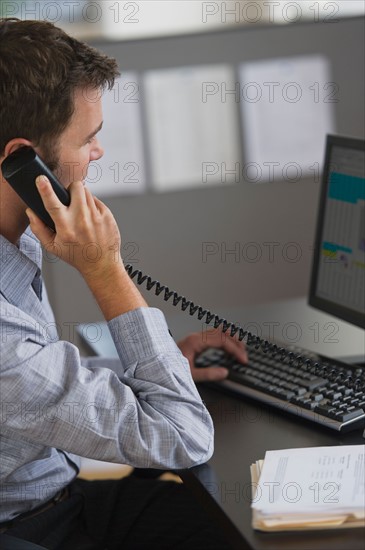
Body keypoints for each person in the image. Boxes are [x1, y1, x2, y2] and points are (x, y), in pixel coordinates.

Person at [0, 18, 247, 549]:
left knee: (217, 518)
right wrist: (104, 268)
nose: (98, 153)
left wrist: (156, 365)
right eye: (88, 138)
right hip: (33, 529)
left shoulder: (14, 238)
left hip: (59, 498)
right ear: (22, 159)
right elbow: (183, 436)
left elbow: (33, 383)